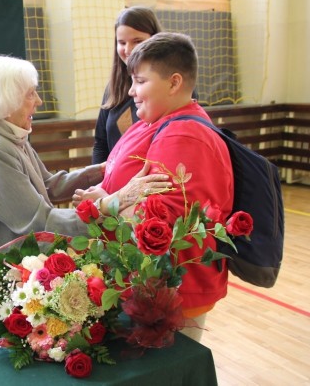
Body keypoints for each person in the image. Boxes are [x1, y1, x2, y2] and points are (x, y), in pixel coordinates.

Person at [0, 55, 172, 321]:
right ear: (7, 102)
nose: (39, 101)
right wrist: (114, 202)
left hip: (7, 262)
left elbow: (49, 186)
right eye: (31, 94)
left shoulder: (8, 133)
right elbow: (41, 221)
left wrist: (101, 169)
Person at [76, 33, 233, 341]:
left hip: (169, 296)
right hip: (146, 287)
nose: (132, 91)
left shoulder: (182, 136)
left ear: (174, 83)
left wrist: (106, 202)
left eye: (140, 81)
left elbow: (161, 230)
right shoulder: (157, 121)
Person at [93, 6, 162, 164]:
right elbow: (101, 144)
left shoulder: (170, 85)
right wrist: (98, 182)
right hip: (113, 186)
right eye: (122, 42)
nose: (128, 49)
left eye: (137, 41)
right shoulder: (113, 87)